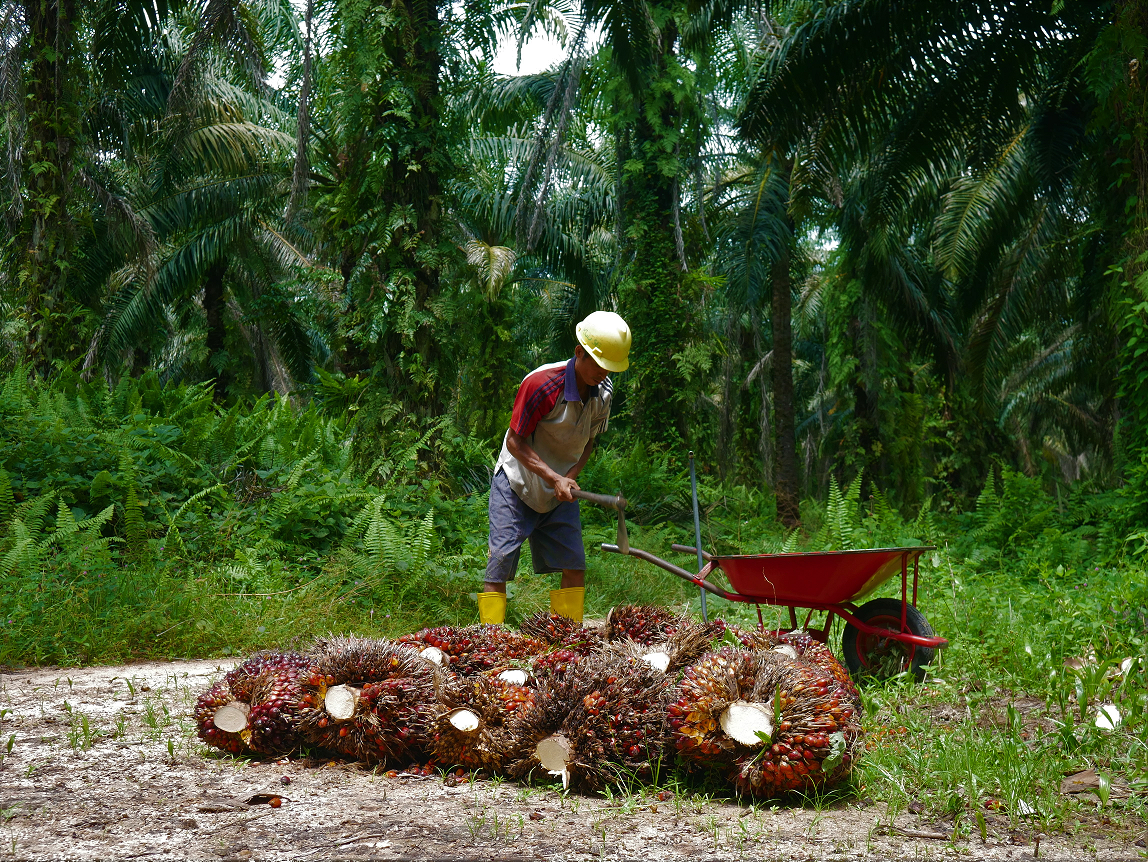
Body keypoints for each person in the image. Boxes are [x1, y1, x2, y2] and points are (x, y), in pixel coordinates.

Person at [476, 310, 631, 625]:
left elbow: (589, 441)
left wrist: (569, 479)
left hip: (561, 488)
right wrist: (553, 477)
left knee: (574, 564)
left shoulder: (604, 393)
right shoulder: (542, 384)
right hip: (517, 483)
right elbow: (514, 443)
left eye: (610, 368)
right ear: (579, 353)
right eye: (599, 364)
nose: (603, 373)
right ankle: (490, 642)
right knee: (500, 562)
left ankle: (567, 640)